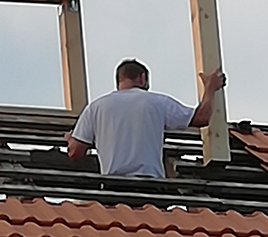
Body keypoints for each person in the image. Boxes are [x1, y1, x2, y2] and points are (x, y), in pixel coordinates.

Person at [66, 58, 226, 179]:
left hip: (113, 186)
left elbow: (75, 152)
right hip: (150, 185)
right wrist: (210, 89)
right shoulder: (157, 102)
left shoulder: (96, 107)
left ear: (119, 80)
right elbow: (201, 118)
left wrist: (72, 140)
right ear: (142, 78)